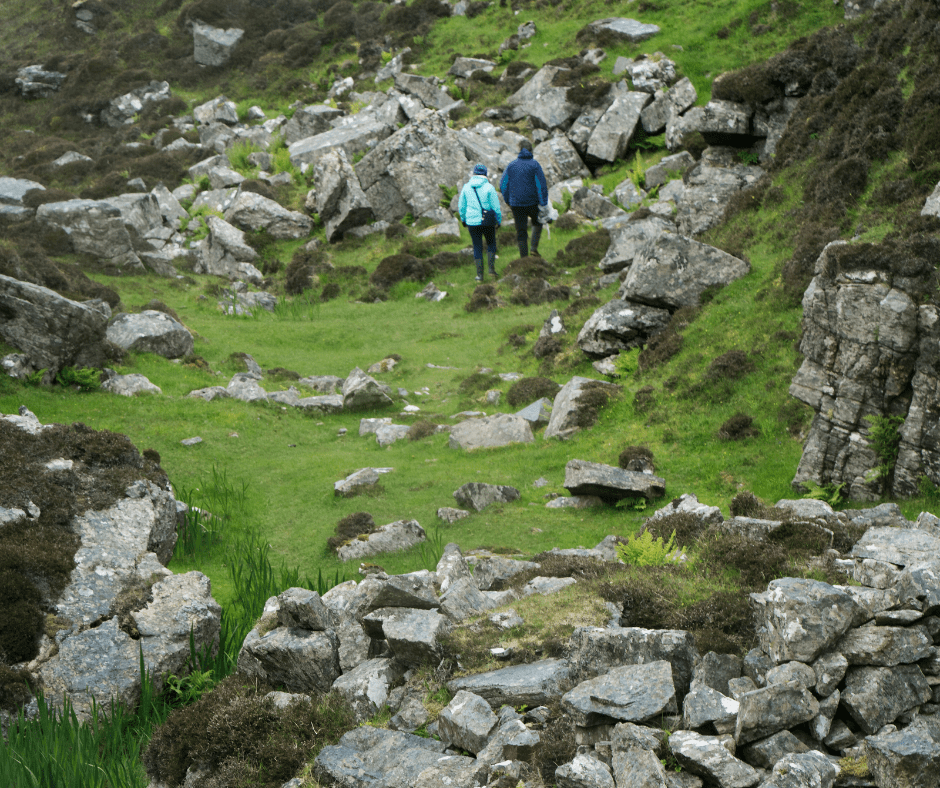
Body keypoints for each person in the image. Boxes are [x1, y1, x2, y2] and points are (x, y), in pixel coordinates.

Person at [499, 139, 548, 258]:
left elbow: (503, 185)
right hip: (533, 203)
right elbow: (541, 185)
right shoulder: (535, 165)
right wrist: (543, 203)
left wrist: (508, 200)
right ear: (531, 150)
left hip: (516, 204)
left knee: (521, 232)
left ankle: (524, 259)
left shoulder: (511, 165)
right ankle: (533, 248)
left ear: (519, 150)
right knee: (538, 222)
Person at [458, 163, 502, 281]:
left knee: (477, 246)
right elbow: (496, 207)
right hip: (487, 221)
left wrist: (463, 219)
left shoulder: (466, 187)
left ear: (474, 174)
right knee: (491, 243)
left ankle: (479, 276)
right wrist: (499, 219)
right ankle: (491, 270)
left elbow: (461, 206)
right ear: (485, 174)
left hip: (472, 222)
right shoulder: (489, 187)